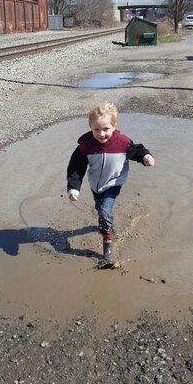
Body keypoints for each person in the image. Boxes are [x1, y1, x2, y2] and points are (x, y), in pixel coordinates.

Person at [67, 102, 155, 264]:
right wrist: (74, 188)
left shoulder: (123, 142)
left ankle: (107, 246)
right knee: (100, 208)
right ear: (90, 127)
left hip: (114, 183)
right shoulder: (85, 146)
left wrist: (145, 157)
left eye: (106, 129)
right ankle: (104, 220)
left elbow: (137, 151)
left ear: (114, 126)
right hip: (95, 186)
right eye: (96, 130)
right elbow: (75, 167)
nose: (101, 134)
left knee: (105, 210)